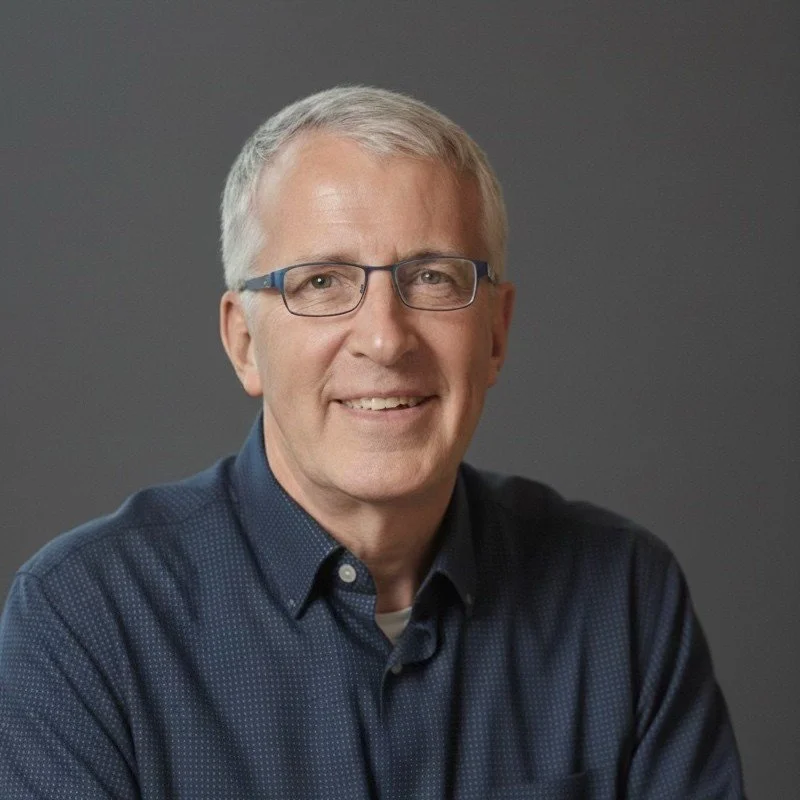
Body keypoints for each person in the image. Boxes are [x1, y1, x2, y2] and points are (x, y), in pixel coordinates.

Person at [0, 86, 745, 799]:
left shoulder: (623, 602)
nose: (386, 339)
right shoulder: (87, 623)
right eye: (322, 282)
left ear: (496, 333)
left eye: (432, 277)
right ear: (244, 343)